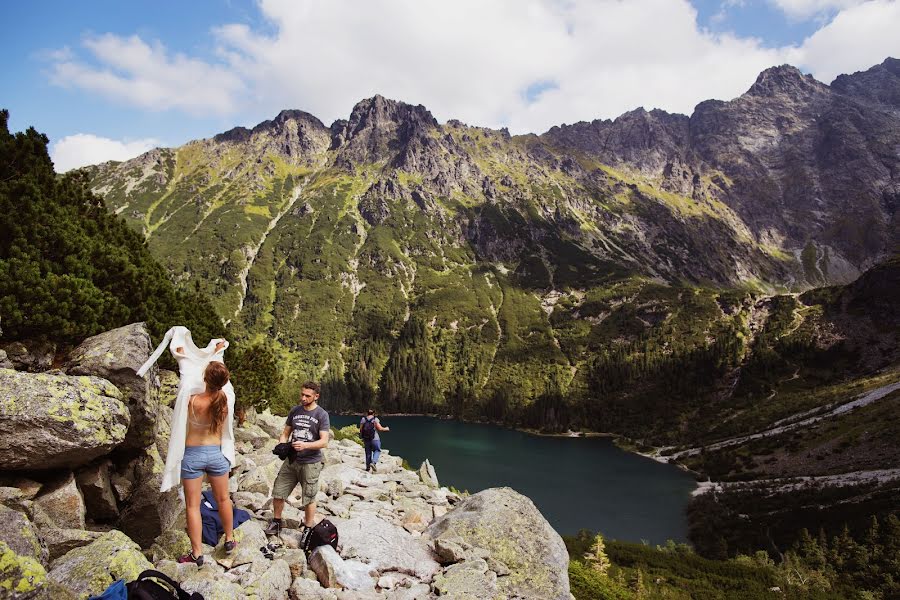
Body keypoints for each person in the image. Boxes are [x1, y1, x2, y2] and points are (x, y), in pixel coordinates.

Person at [136, 326, 238, 566]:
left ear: (204, 378)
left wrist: (182, 357)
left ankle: (197, 553)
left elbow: (187, 379)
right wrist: (217, 353)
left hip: (192, 455)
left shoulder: (191, 400)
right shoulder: (226, 400)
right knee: (223, 499)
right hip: (216, 454)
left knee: (192, 506)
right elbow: (219, 379)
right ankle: (230, 538)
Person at [264, 381, 330, 537]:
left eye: (308, 396)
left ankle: (307, 527)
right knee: (278, 491)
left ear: (316, 396)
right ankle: (277, 521)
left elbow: (324, 441)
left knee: (309, 497)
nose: (303, 398)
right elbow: (286, 433)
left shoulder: (321, 415)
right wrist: (282, 444)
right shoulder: (295, 411)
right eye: (302, 394)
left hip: (311, 463)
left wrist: (306, 446)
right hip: (291, 460)